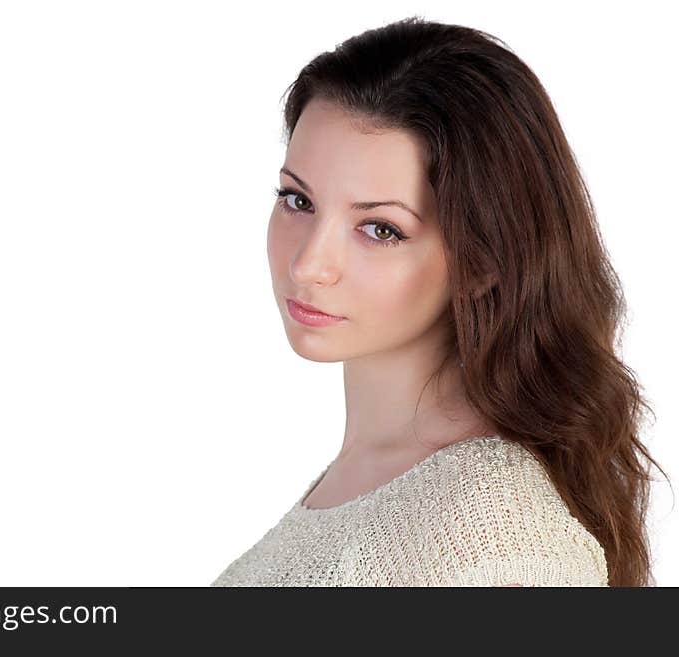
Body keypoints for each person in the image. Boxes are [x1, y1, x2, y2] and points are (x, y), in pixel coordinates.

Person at [210, 16, 667, 587]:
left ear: (483, 262)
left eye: (380, 229)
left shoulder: (494, 533)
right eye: (297, 200)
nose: (308, 265)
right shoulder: (374, 481)